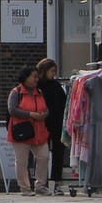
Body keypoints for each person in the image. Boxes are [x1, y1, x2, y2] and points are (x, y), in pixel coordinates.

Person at [7, 67, 52, 198]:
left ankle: (41, 186)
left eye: (37, 77)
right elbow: (12, 110)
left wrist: (44, 114)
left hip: (39, 130)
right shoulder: (17, 92)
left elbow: (46, 108)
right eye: (34, 77)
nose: (36, 79)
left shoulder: (39, 92)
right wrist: (31, 114)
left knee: (43, 156)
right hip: (22, 130)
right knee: (22, 161)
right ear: (25, 78)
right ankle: (25, 187)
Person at [35, 58, 69, 195]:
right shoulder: (38, 86)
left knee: (58, 153)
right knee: (41, 155)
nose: (54, 74)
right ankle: (39, 182)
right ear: (44, 70)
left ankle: (56, 181)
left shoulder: (56, 86)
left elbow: (63, 103)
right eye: (52, 71)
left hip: (57, 123)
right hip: (42, 123)